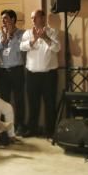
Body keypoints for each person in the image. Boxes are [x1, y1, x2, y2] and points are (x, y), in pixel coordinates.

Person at [20, 9, 60, 138]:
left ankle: (50, 131)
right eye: (31, 18)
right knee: (33, 103)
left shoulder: (52, 32)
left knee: (49, 103)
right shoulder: (27, 33)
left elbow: (57, 48)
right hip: (32, 74)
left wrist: (45, 37)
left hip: (49, 75)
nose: (32, 20)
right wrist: (34, 39)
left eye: (35, 17)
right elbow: (22, 47)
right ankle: (32, 129)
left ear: (43, 18)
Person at [0, 9, 26, 130]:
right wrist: (3, 41)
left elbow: (21, 49)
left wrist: (11, 36)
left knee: (19, 99)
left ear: (13, 19)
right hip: (2, 70)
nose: (3, 20)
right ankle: (4, 125)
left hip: (17, 69)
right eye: (2, 18)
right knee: (4, 98)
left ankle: (20, 125)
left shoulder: (22, 33)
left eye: (5, 18)